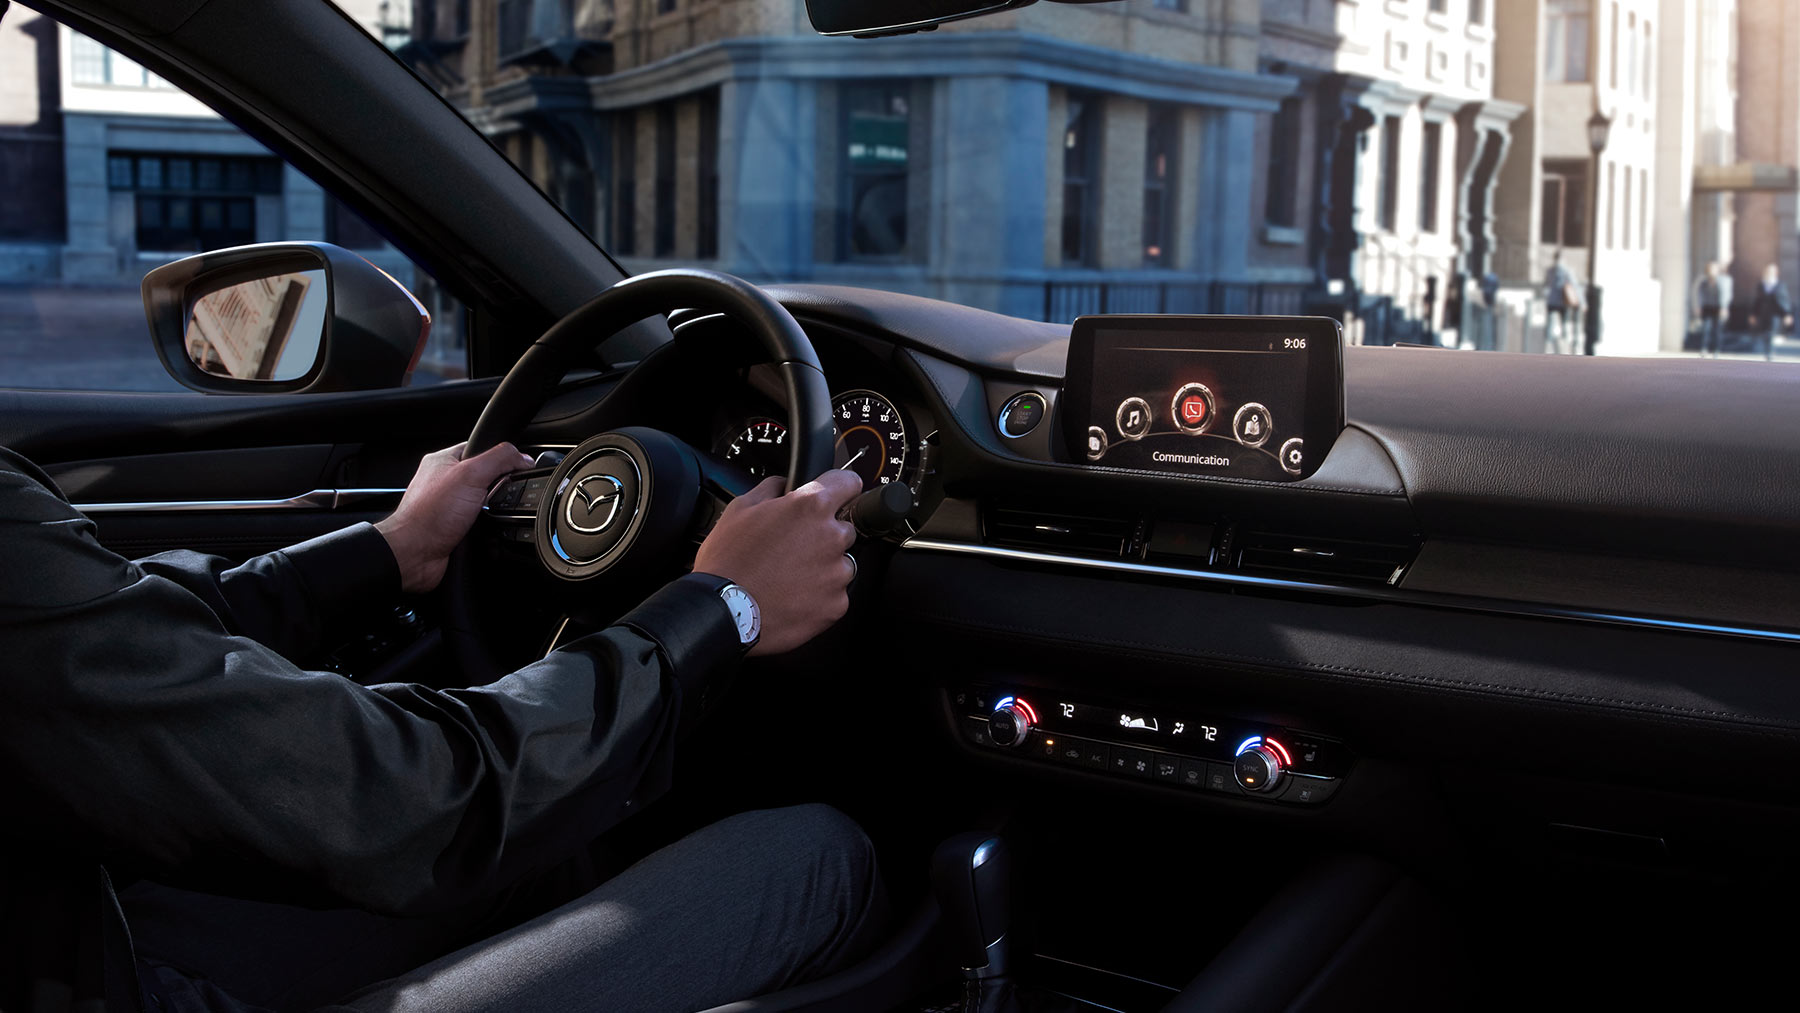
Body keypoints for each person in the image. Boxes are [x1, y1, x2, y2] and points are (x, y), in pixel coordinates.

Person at [0, 440, 881, 1012]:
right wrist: (724, 606)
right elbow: (407, 798)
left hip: (81, 944)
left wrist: (391, 547)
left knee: (552, 852)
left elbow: (108, 636)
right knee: (817, 859)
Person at [1748, 262, 1794, 362]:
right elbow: (1757, 301)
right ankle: (1767, 351)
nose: (1769, 273)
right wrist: (1753, 314)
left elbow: (1784, 300)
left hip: (1775, 314)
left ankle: (1769, 353)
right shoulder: (1761, 285)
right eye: (1768, 271)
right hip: (1763, 313)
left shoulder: (1780, 285)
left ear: (1775, 273)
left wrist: (1787, 314)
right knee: (1765, 333)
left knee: (1770, 332)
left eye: (1772, 271)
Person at [1691, 261, 1733, 358]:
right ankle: (1704, 348)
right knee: (1706, 329)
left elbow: (1725, 294)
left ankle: (1716, 350)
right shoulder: (1703, 281)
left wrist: (1724, 307)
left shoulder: (1722, 281)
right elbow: (1699, 294)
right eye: (1710, 269)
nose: (1711, 271)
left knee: (1717, 330)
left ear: (1717, 270)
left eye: (1713, 269)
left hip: (1718, 308)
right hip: (1707, 307)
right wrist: (1698, 306)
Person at [1543, 250, 1579, 353]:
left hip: (1558, 301)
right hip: (1559, 302)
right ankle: (1556, 348)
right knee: (1558, 325)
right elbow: (1574, 285)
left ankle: (1556, 348)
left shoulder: (1554, 270)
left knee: (1560, 325)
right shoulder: (1562, 271)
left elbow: (1545, 285)